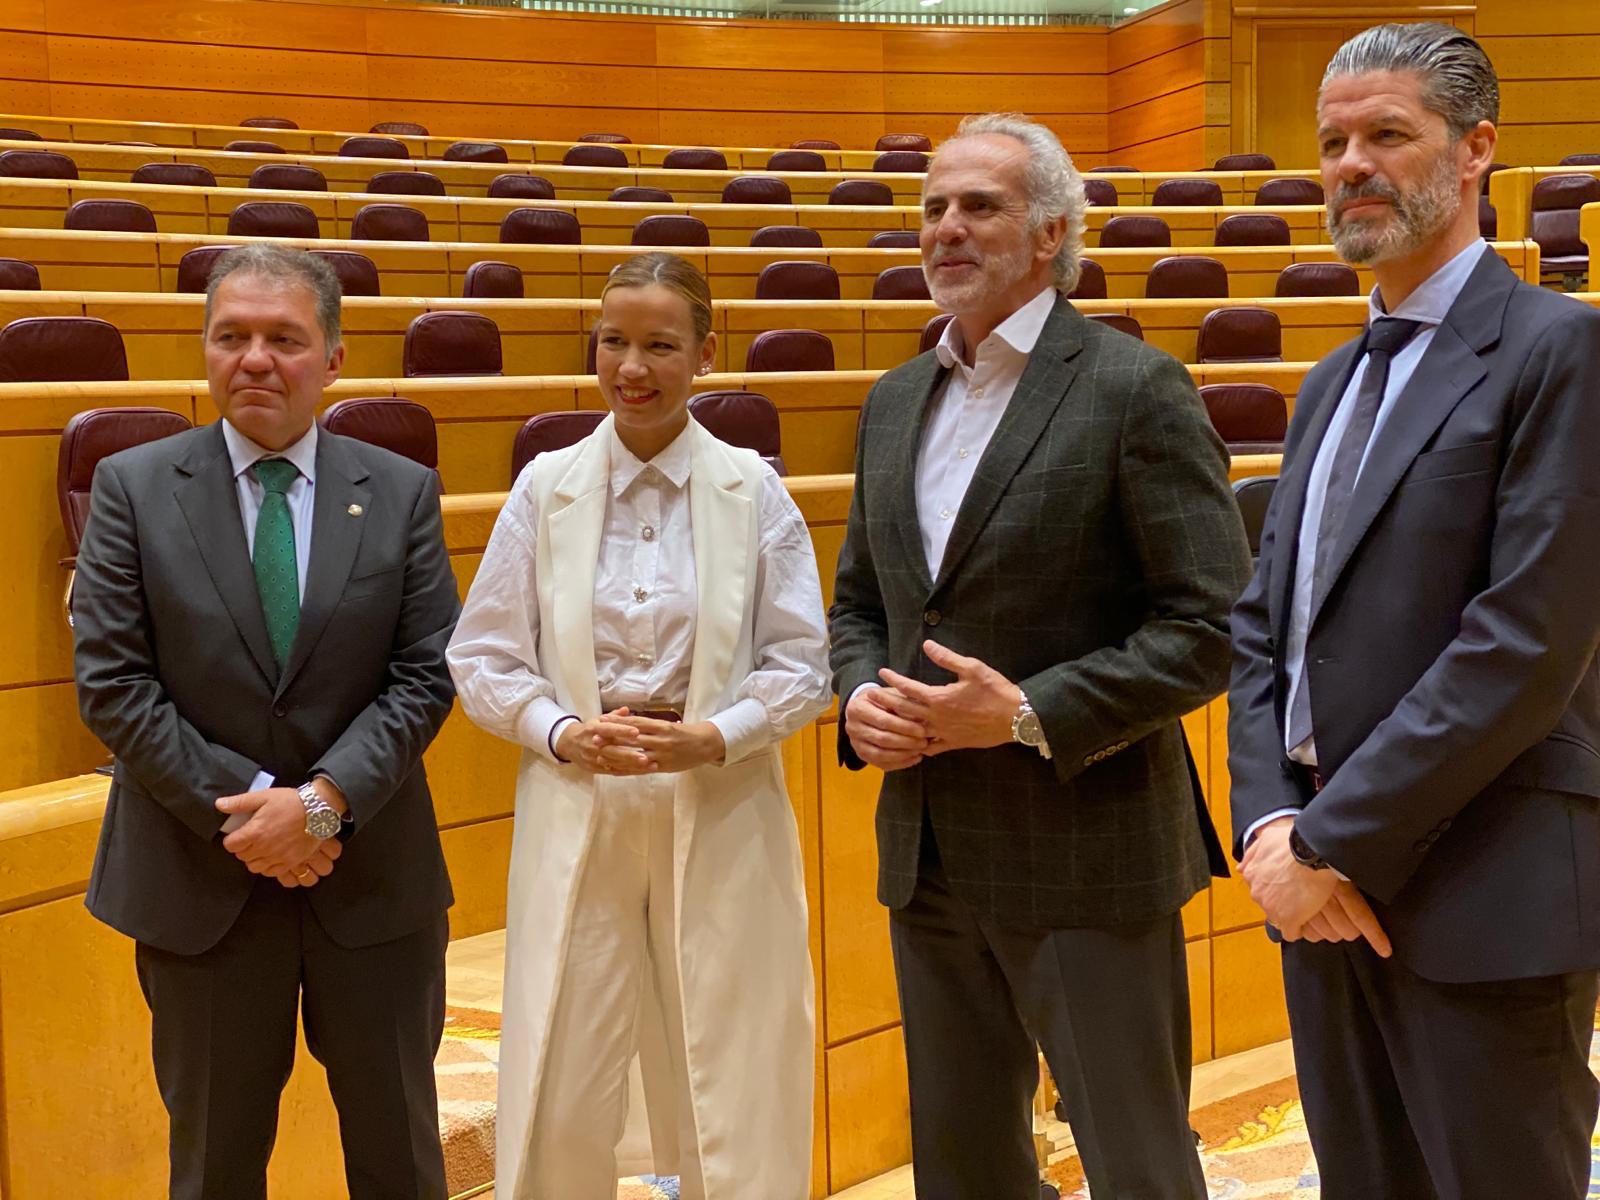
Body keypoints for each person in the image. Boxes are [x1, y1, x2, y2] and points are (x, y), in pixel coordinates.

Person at [828, 112, 1253, 1200]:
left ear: (1052, 229)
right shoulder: (889, 403)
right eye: (933, 208)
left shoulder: (1132, 388)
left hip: (1087, 853)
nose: (947, 230)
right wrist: (856, 702)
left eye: (981, 206)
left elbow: (1208, 626)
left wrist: (1024, 711)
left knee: (1138, 1167)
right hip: (927, 857)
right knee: (964, 1171)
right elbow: (860, 605)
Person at [1228, 22, 1600, 1199]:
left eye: (1387, 134)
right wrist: (1270, 830)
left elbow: (1523, 645)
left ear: (1477, 147)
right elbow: (1262, 633)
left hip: (1485, 894)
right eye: (1333, 141)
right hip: (1318, 898)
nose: (1349, 164)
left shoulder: (1561, 351)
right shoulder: (1333, 378)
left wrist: (1334, 842)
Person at [72, 243, 460, 1198]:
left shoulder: (400, 489)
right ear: (204, 351)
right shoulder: (131, 487)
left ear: (331, 359)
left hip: (370, 884)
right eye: (231, 336)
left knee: (401, 1159)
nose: (255, 359)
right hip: (199, 885)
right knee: (213, 1166)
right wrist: (257, 811)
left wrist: (321, 807)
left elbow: (423, 675)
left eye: (283, 338)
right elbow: (114, 686)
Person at [447, 251, 830, 1199]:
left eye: (661, 345)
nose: (634, 366)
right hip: (582, 793)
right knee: (563, 1057)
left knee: (727, 1059)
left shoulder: (754, 489)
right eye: (615, 341)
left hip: (721, 790)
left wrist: (720, 733)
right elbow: (484, 656)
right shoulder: (546, 486)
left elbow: (802, 661)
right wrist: (561, 732)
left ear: (705, 352)